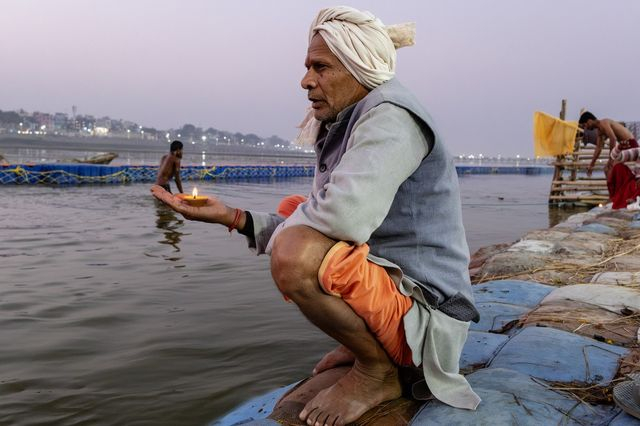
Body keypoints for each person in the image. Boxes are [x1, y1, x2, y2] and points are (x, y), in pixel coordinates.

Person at [151, 6, 480, 425]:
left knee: (295, 251)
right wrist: (231, 216)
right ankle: (368, 344)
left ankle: (377, 372)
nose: (306, 81)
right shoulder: (352, 120)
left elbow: (342, 219)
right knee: (296, 213)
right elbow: (323, 217)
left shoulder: (391, 118)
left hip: (428, 319)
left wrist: (264, 227)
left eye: (320, 67)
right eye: (308, 67)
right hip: (396, 297)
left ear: (359, 67)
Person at [579, 111, 638, 177]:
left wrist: (611, 159)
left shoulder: (604, 123)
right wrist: (591, 164)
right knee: (607, 170)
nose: (586, 128)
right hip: (624, 147)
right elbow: (598, 148)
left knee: (609, 169)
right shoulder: (599, 131)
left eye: (585, 125)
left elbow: (613, 138)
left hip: (631, 145)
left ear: (589, 120)